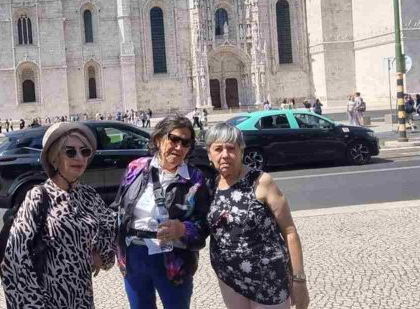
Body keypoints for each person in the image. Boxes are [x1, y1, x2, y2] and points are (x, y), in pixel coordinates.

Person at [1, 122, 115, 309]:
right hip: (48, 301)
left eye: (85, 152)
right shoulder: (39, 196)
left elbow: (110, 226)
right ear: (54, 158)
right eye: (70, 152)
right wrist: (35, 305)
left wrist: (100, 254)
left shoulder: (89, 195)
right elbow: (15, 259)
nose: (79, 157)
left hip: (82, 300)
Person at [204, 123, 310, 309]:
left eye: (231, 148)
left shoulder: (262, 182)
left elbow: (289, 231)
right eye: (218, 149)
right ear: (209, 154)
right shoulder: (211, 185)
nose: (225, 155)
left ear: (241, 151)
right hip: (230, 278)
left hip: (268, 280)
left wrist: (299, 281)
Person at [113, 115, 211, 309]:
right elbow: (118, 208)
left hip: (173, 259)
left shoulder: (196, 179)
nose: (179, 147)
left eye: (185, 143)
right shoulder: (136, 167)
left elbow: (204, 225)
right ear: (159, 139)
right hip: (133, 256)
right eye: (174, 139)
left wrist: (182, 229)